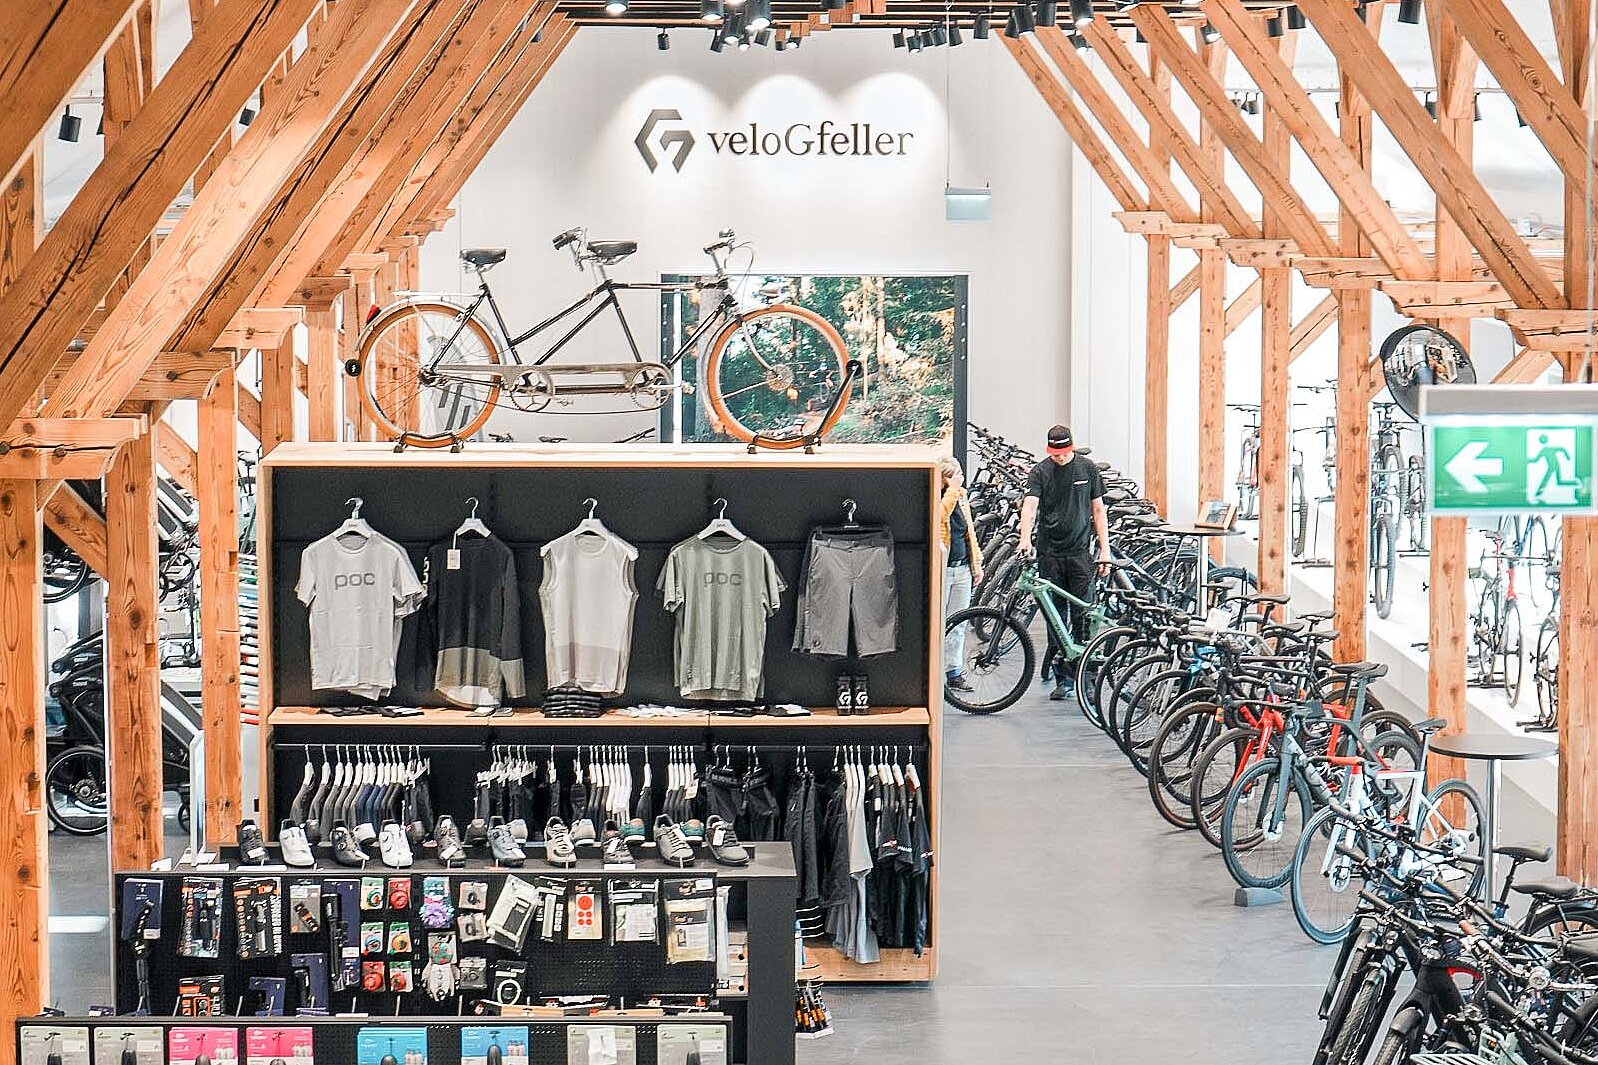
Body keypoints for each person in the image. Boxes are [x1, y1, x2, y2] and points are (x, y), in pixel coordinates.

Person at [1018, 425, 1111, 701]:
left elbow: (1098, 510)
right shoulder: (1040, 471)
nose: (1059, 457)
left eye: (1063, 452)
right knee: (1055, 618)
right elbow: (1030, 505)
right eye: (1054, 453)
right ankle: (1064, 678)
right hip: (1050, 554)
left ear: (1071, 446)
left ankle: (1088, 678)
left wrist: (1105, 550)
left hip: (1080, 553)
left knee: (1084, 615)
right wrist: (1025, 538)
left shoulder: (1087, 468)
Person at [939, 456, 984, 692]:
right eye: (953, 476)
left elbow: (969, 532)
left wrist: (976, 563)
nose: (959, 480)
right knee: (938, 623)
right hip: (943, 569)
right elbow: (938, 518)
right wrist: (952, 491)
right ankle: (933, 673)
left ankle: (954, 672)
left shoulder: (961, 497)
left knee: (958, 623)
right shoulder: (941, 497)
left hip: (962, 568)